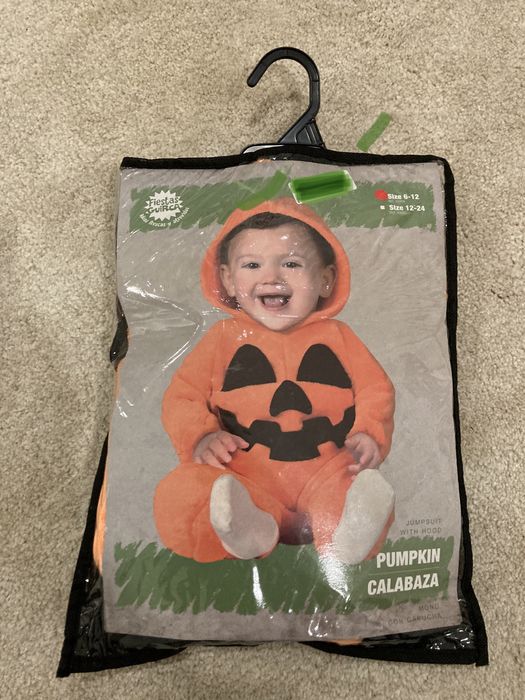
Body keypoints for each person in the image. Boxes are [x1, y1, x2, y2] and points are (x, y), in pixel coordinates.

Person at [154, 197, 395, 565]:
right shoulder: (221, 339)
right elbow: (183, 396)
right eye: (252, 264)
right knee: (183, 492)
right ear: (228, 279)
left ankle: (346, 533)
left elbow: (375, 388)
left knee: (357, 489)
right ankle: (243, 526)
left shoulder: (339, 337)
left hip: (328, 470)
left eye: (291, 264)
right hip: (244, 474)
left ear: (325, 279)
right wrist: (200, 436)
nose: (271, 278)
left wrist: (369, 432)